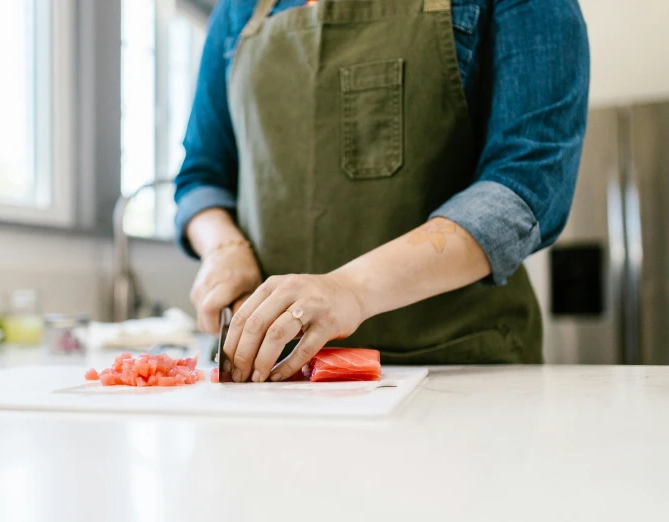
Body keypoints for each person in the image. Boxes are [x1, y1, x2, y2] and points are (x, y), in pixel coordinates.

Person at [174, 0, 590, 382]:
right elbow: (201, 175)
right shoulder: (236, 10)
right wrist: (223, 249)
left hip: (456, 368)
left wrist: (351, 289)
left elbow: (527, 182)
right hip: (269, 376)